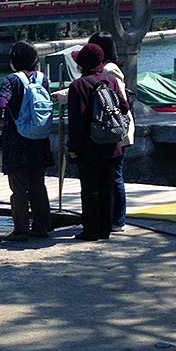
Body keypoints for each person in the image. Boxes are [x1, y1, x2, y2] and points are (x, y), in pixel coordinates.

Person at [0, 40, 55, 242]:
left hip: (17, 141)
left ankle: (20, 230)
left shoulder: (12, 80)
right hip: (39, 139)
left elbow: (0, 101)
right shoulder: (43, 79)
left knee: (18, 187)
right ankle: (41, 226)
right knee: (38, 184)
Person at [66, 42, 129, 241]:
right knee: (107, 187)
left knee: (90, 189)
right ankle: (105, 229)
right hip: (112, 144)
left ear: (82, 64)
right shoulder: (111, 80)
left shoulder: (78, 85)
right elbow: (124, 107)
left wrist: (73, 148)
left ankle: (91, 230)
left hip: (89, 147)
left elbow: (76, 120)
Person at [86, 32, 134, 231]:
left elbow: (120, 101)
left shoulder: (109, 71)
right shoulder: (111, 68)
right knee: (114, 174)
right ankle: (114, 217)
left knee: (115, 175)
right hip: (114, 127)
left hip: (114, 128)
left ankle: (118, 219)